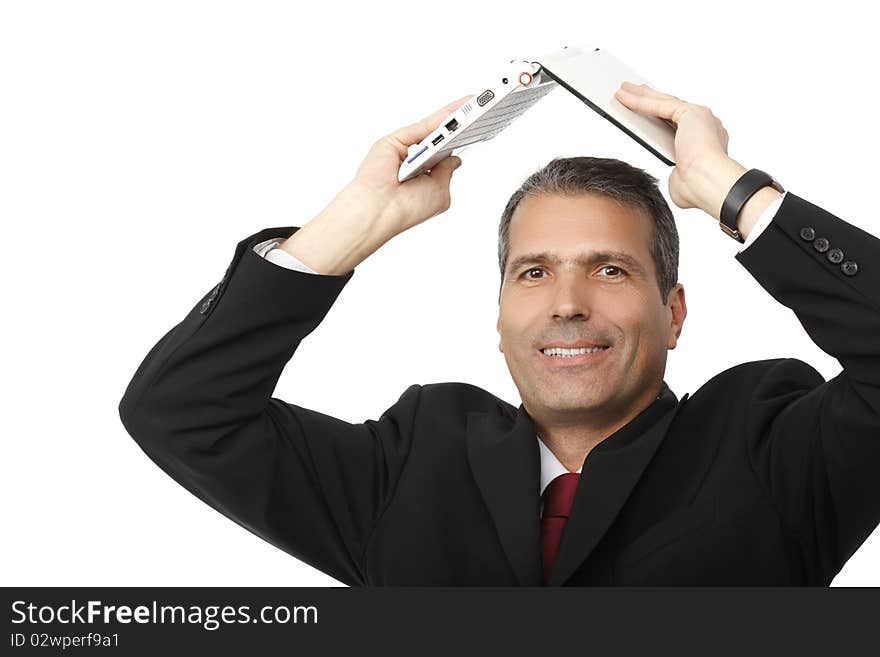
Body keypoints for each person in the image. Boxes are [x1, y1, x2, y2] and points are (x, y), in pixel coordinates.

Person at [118, 82, 880, 586]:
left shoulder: (772, 447)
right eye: (534, 272)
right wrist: (350, 226)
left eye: (610, 271)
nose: (568, 304)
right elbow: (182, 411)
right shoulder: (416, 459)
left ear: (673, 311)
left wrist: (734, 192)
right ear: (500, 313)